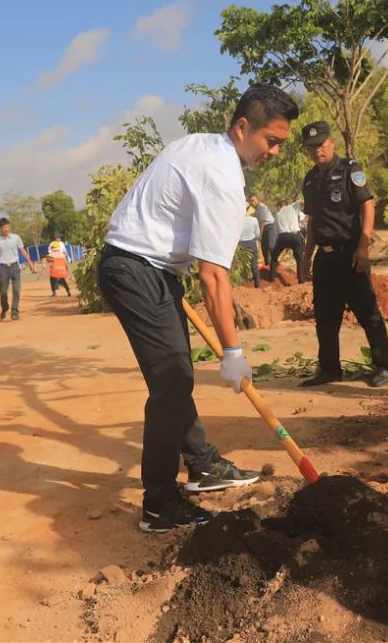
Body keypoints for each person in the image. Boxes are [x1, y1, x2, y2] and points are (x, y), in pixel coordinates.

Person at [99, 83, 298, 533]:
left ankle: (203, 465)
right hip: (137, 269)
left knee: (175, 374)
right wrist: (233, 353)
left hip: (145, 267)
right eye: (271, 141)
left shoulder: (199, 144)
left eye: (280, 144)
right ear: (243, 127)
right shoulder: (223, 177)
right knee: (171, 383)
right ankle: (159, 505)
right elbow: (213, 276)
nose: (274, 152)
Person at [297, 121, 388, 388]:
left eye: (320, 145)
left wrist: (363, 246)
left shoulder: (350, 170)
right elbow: (312, 221)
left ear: (332, 143)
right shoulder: (310, 180)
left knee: (367, 312)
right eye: (311, 147)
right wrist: (306, 257)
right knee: (325, 317)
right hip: (325, 258)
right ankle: (329, 369)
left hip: (351, 254)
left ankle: (384, 365)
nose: (317, 150)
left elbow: (367, 206)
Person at [0, 217, 37, 321]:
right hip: (3, 268)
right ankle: (4, 308)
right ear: (0, 228)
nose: (6, 229)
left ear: (10, 226)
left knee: (16, 290)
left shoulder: (16, 238)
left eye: (7, 227)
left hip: (15, 266)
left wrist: (30, 262)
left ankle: (14, 311)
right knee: (3, 292)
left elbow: (22, 250)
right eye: (4, 227)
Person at [269, 199, 306, 283]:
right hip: (295, 236)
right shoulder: (292, 207)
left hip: (283, 237)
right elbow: (302, 201)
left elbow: (276, 231)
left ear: (279, 206)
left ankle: (272, 278)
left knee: (274, 257)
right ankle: (301, 279)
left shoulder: (277, 214)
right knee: (299, 259)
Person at [250, 195, 276, 279]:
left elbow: (262, 222)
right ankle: (268, 266)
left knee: (271, 246)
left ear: (257, 199)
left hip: (269, 227)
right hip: (264, 228)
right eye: (251, 201)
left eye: (253, 200)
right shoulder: (257, 210)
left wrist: (260, 235)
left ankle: (273, 269)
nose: (252, 202)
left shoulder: (262, 207)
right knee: (264, 248)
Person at [239, 209, 262, 289]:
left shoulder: (237, 220)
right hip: (251, 243)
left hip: (240, 245)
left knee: (241, 266)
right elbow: (257, 234)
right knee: (254, 265)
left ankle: (241, 287)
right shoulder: (254, 220)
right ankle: (258, 286)